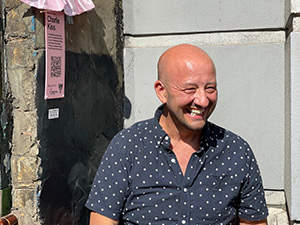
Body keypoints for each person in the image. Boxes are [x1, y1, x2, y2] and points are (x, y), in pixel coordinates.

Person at [86, 44, 268, 225]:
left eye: (210, 88)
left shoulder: (235, 151)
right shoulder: (128, 146)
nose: (203, 100)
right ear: (162, 91)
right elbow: (102, 220)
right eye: (190, 89)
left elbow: (254, 223)